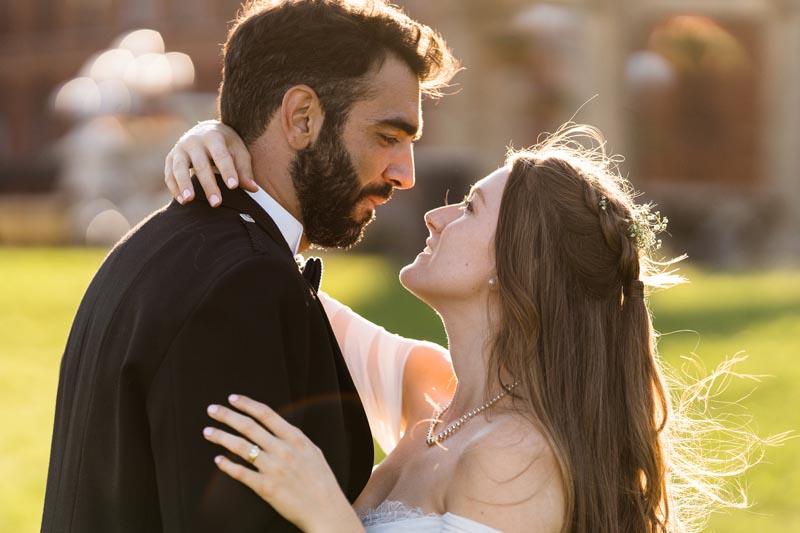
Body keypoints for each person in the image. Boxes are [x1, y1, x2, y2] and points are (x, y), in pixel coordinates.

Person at [165, 122, 727, 532]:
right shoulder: (432, 396)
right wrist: (214, 147)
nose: (437, 215)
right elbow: (276, 289)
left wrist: (323, 512)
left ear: (519, 267)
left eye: (471, 209)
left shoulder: (515, 456)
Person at [41, 1, 458, 532]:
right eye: (387, 137)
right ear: (302, 117)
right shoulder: (243, 284)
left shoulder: (161, 244)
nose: (406, 174)